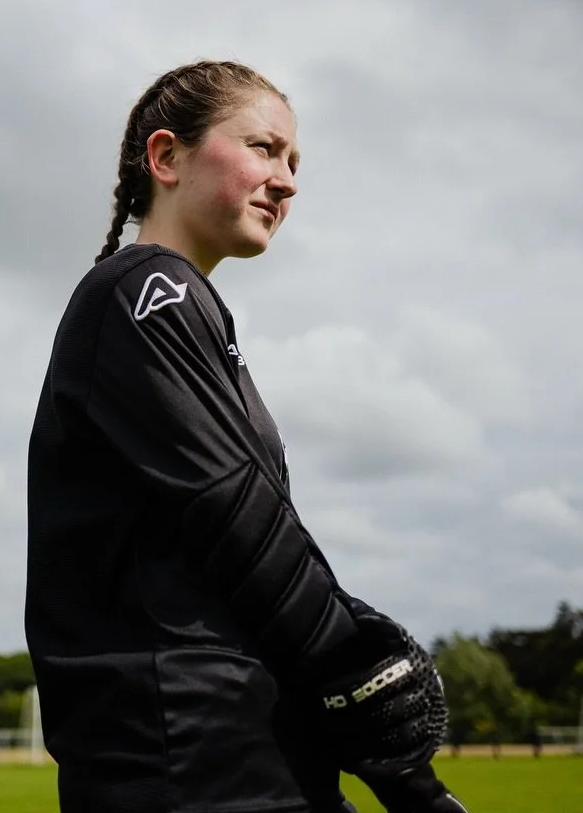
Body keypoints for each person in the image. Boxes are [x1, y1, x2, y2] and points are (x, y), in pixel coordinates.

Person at [26, 61, 468, 813]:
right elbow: (244, 525)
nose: (287, 180)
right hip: (188, 757)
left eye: (294, 161)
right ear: (166, 158)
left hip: (245, 745)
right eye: (263, 148)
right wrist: (402, 765)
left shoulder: (182, 306)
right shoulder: (142, 291)